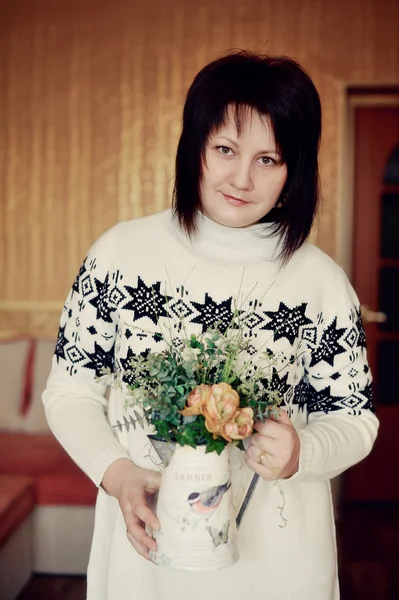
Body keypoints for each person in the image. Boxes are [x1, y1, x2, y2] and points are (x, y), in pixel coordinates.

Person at [42, 50, 379, 600]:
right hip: (146, 558)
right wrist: (118, 474)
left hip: (279, 567)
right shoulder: (121, 254)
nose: (241, 178)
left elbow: (355, 420)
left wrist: (303, 455)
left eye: (268, 159)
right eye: (225, 149)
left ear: (296, 168)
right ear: (194, 146)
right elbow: (70, 390)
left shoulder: (320, 282)